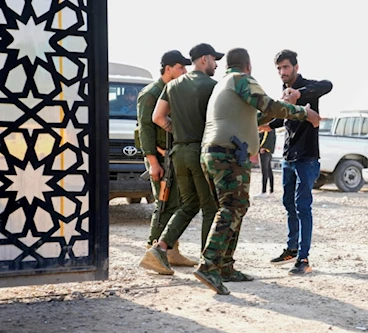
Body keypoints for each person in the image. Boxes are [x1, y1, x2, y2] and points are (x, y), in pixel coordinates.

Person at [194, 47, 322, 295]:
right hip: (228, 154)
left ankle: (225, 267)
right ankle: (209, 265)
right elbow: (268, 106)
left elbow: (259, 116)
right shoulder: (241, 80)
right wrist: (303, 113)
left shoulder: (224, 84)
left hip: (214, 152)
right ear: (248, 66)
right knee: (231, 207)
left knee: (236, 206)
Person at [139, 43, 222, 275]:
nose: (216, 65)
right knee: (210, 207)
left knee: (187, 205)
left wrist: (179, 131)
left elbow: (157, 117)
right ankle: (209, 263)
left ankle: (160, 248)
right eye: (215, 60)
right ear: (204, 59)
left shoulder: (172, 86)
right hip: (198, 152)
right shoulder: (213, 86)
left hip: (178, 153)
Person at [263, 49, 332, 275]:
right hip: (288, 157)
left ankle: (303, 259)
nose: (283, 72)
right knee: (288, 204)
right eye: (279, 69)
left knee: (303, 207)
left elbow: (327, 84)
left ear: (295, 67)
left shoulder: (307, 88)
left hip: (307, 157)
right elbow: (283, 117)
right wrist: (263, 126)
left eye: (286, 67)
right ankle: (292, 249)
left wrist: (299, 94)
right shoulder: (284, 91)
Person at [136, 50, 198, 269]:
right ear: (168, 68)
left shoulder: (172, 91)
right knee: (164, 204)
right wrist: (152, 161)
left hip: (172, 156)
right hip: (160, 158)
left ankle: (171, 251)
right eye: (181, 67)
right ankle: (152, 251)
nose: (185, 72)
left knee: (175, 203)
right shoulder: (152, 93)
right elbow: (145, 129)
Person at [253, 130, 276, 197]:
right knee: (269, 170)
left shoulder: (267, 125)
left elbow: (266, 136)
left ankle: (264, 191)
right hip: (268, 150)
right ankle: (271, 191)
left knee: (264, 171)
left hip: (264, 150)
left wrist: (262, 146)